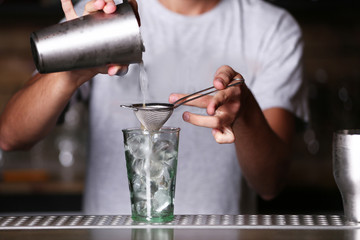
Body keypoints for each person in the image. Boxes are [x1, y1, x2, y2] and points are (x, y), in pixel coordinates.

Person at [0, 0, 308, 214]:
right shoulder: (101, 16)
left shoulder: (271, 28)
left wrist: (246, 111)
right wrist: (71, 74)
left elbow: (271, 183)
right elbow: (10, 136)